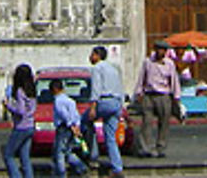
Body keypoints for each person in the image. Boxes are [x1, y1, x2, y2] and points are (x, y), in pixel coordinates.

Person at [133, 40, 181, 158]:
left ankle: (161, 146)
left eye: (164, 50)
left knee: (164, 122)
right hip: (149, 95)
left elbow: (174, 80)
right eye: (159, 49)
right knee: (147, 122)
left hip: (164, 95)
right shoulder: (147, 62)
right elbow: (141, 77)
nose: (161, 52)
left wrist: (176, 96)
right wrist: (138, 92)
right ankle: (147, 147)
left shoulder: (169, 64)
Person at [82, 45, 125, 177]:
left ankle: (92, 155)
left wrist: (93, 107)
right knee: (110, 137)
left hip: (104, 101)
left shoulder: (97, 68)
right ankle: (117, 168)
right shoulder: (114, 69)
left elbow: (96, 88)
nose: (90, 57)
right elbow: (120, 87)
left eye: (92, 54)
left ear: (97, 56)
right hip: (116, 102)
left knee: (84, 121)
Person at [2, 63, 37, 178]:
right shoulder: (32, 90)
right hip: (30, 125)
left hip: (21, 126)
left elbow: (20, 111)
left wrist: (8, 106)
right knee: (24, 157)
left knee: (8, 155)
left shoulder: (20, 91)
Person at [50, 78, 88, 177]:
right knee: (67, 151)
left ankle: (61, 174)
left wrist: (71, 125)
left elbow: (64, 114)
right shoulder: (71, 101)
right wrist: (76, 126)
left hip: (63, 127)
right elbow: (76, 115)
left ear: (55, 89)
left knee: (59, 153)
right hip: (72, 127)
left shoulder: (58, 100)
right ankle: (81, 166)